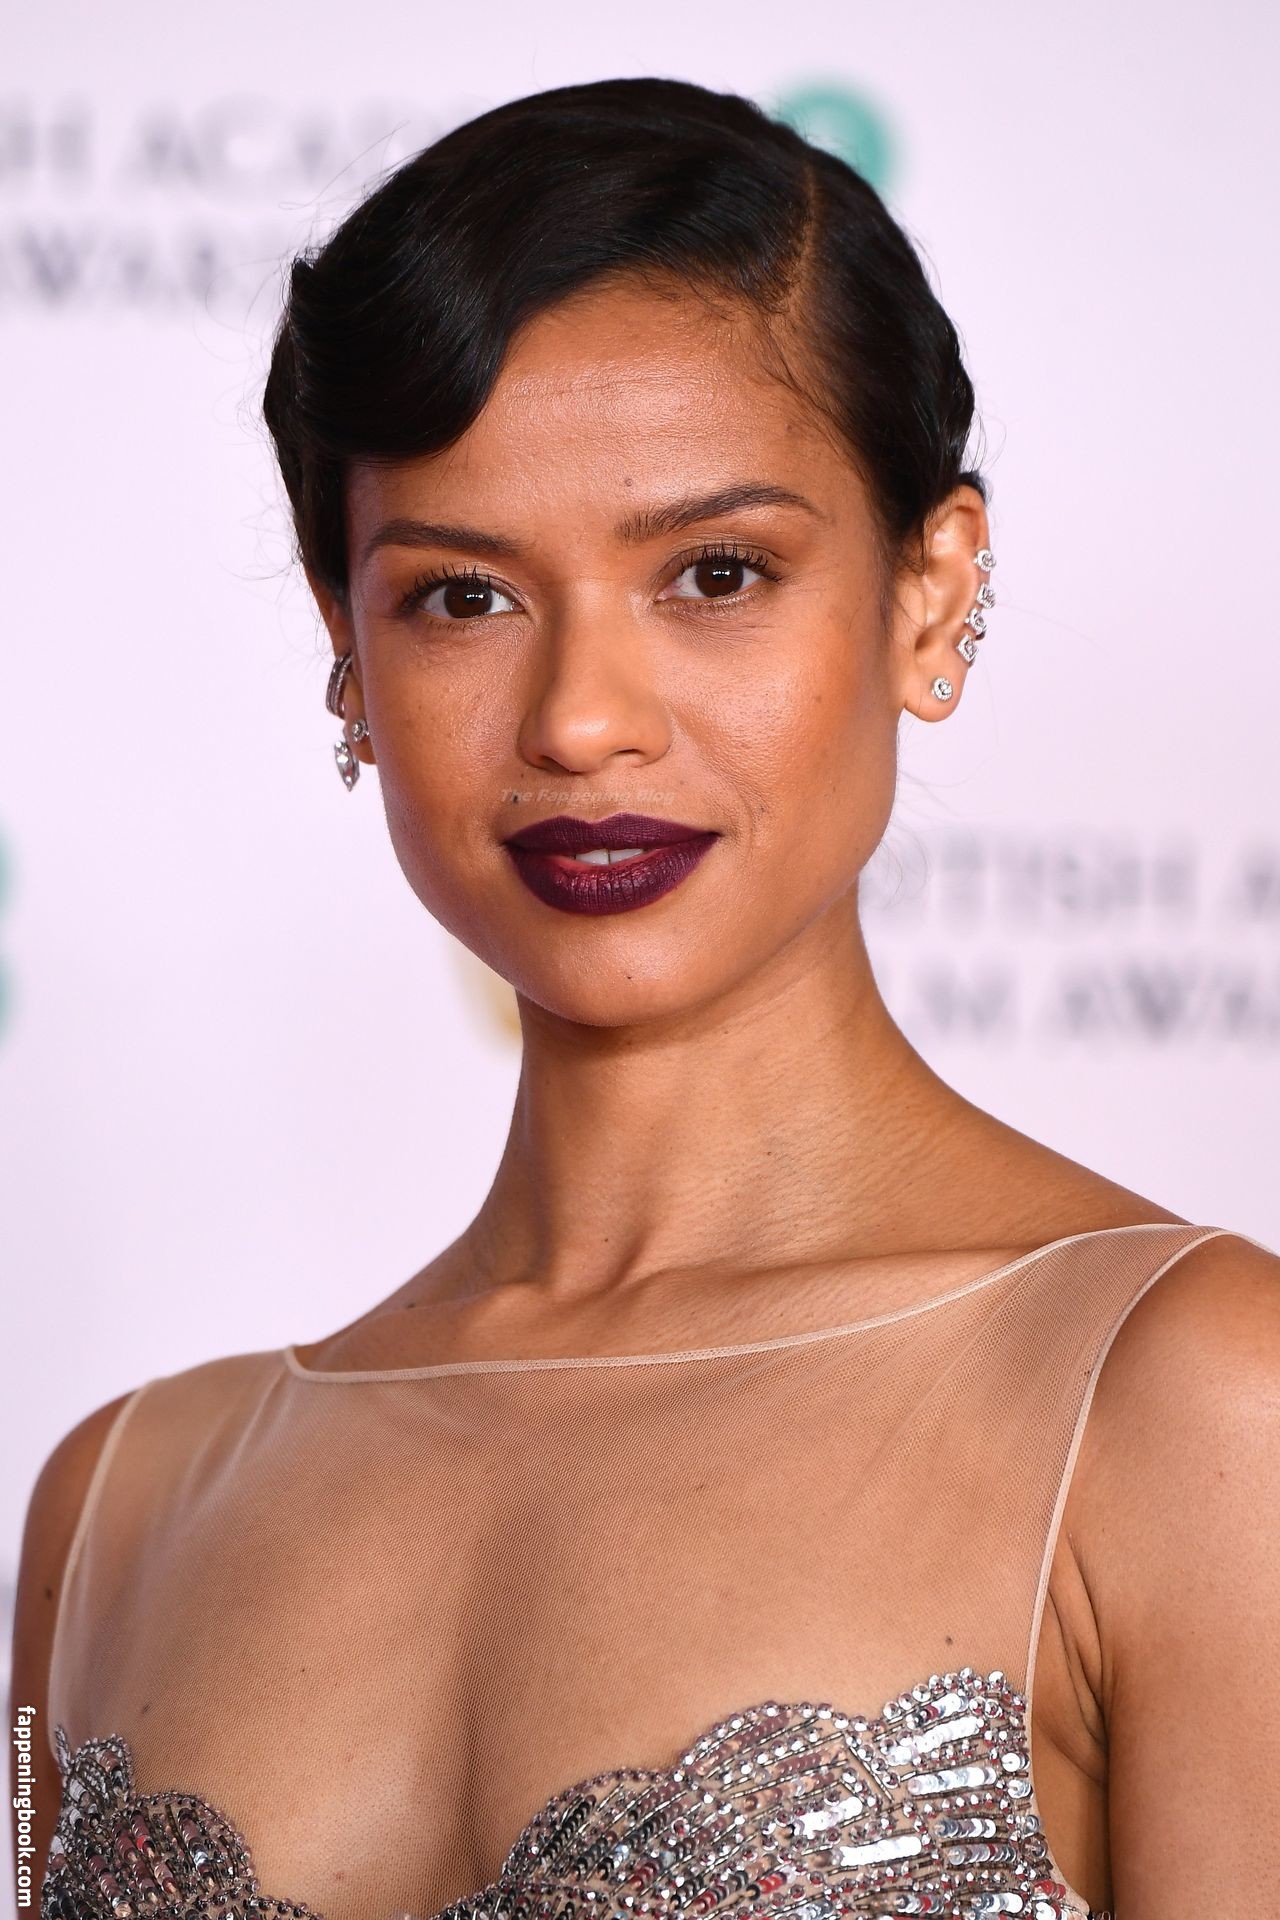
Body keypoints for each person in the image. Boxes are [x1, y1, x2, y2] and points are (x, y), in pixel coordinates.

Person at [10, 77, 1278, 1920]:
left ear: (931, 595)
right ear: (347, 645)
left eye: (715, 574)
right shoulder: (118, 1505)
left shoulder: (1189, 1407)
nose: (583, 721)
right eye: (461, 600)